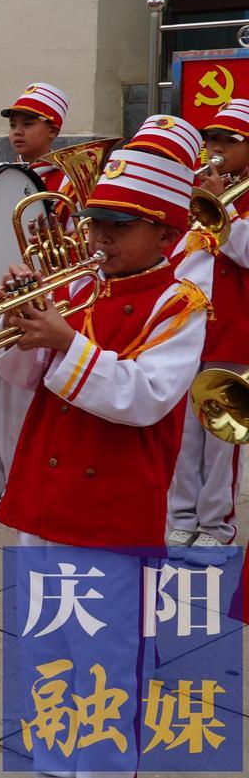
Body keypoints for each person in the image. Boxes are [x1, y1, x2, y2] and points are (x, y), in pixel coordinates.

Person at [0, 143, 207, 549]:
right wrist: (21, 321)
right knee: (38, 582)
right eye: (94, 224)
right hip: (49, 471)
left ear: (166, 235)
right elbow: (32, 376)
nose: (101, 237)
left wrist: (66, 341)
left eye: (121, 226)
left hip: (116, 487)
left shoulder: (180, 304)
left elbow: (147, 397)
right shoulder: (78, 284)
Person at [0, 82, 70, 517]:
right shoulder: (2, 177)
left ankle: (16, 480)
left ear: (54, 129)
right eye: (14, 124)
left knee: (15, 398)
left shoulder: (66, 183)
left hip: (32, 300)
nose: (18, 131)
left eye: (29, 123)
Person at [171, 102, 249, 548]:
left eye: (228, 142)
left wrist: (223, 209)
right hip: (192, 325)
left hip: (235, 328)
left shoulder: (232, 199)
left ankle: (217, 526)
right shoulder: (200, 191)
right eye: (212, 140)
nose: (215, 149)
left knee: (223, 435)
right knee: (185, 431)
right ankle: (182, 515)